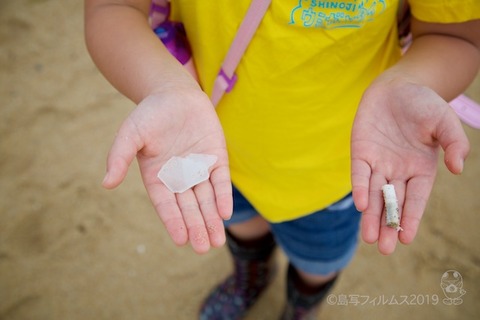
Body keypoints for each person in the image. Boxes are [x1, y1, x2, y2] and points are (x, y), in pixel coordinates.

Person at [84, 1, 480, 319]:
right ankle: (251, 277)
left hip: (339, 173)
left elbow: (453, 34)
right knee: (240, 225)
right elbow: (113, 8)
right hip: (213, 152)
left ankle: (303, 305)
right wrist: (161, 86)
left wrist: (409, 82)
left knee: (318, 260)